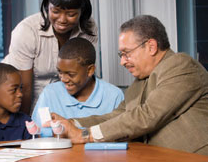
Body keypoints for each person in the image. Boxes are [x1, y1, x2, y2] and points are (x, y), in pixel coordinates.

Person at [46, 15, 208, 155]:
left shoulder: (181, 65)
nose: (122, 61)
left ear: (151, 46)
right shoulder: (142, 80)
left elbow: (147, 115)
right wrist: (72, 124)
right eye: (120, 55)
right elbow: (117, 115)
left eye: (126, 53)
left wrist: (84, 135)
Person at [2, 0, 98, 115]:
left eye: (71, 14)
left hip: (58, 103)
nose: (62, 20)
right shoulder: (27, 31)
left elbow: (82, 76)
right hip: (21, 101)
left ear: (82, 11)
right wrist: (25, 124)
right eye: (56, 11)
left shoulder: (88, 28)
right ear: (47, 6)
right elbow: (24, 88)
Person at [31, 37, 124, 136]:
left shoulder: (114, 96)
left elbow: (122, 133)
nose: (63, 79)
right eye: (60, 72)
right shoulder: (50, 93)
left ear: (90, 70)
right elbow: (40, 133)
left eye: (71, 74)